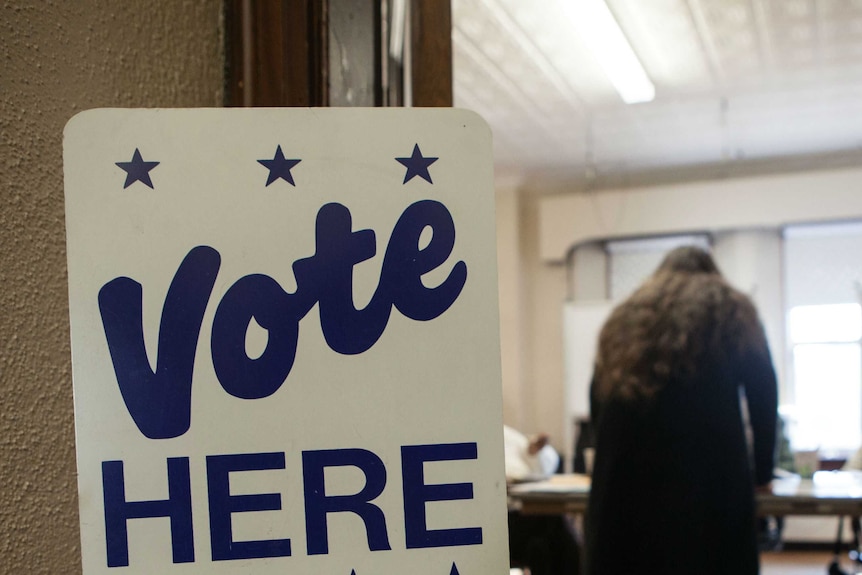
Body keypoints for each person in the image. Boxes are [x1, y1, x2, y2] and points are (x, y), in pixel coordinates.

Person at [584, 246, 778, 575]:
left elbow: (597, 396)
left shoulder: (624, 316)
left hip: (623, 479)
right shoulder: (731, 307)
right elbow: (764, 393)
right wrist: (762, 476)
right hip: (708, 478)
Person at [504, 425, 581, 574]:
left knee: (550, 540)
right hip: (503, 518)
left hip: (523, 511)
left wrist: (534, 451)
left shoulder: (505, 434)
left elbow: (547, 459)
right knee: (553, 530)